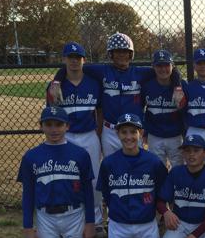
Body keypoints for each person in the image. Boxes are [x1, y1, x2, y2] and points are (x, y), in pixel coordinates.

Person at [48, 32, 183, 158]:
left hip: (133, 130)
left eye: (125, 51)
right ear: (111, 54)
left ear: (131, 54)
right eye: (117, 51)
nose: (121, 55)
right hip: (110, 131)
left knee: (136, 166)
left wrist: (177, 87)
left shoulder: (140, 73)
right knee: (111, 166)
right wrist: (57, 81)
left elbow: (170, 69)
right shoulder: (102, 71)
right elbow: (74, 66)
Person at [17, 106, 95, 238]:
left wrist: (90, 222)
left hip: (74, 214)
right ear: (41, 126)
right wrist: (28, 228)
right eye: (49, 124)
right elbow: (28, 195)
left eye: (59, 125)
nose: (54, 129)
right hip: (46, 217)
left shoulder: (80, 154)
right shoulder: (31, 156)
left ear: (67, 126)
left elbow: (88, 192)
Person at [46, 41, 106, 238]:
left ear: (84, 60)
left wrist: (98, 133)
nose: (74, 61)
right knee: (68, 179)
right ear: (64, 59)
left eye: (77, 58)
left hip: (89, 135)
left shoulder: (93, 83)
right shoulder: (56, 86)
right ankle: (74, 220)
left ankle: (97, 221)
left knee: (93, 178)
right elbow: (51, 115)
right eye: (70, 57)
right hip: (66, 136)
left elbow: (99, 111)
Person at [96, 113, 168, 238]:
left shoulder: (153, 162)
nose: (128, 137)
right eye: (124, 132)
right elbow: (107, 193)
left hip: (146, 223)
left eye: (133, 132)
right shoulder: (108, 163)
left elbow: (161, 191)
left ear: (140, 133)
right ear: (117, 134)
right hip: (119, 224)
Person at [142, 49, 188, 168]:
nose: (163, 69)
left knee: (178, 167)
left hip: (175, 135)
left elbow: (185, 112)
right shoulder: (147, 86)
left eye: (166, 65)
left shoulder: (181, 85)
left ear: (172, 66)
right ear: (153, 67)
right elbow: (142, 109)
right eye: (159, 65)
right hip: (155, 135)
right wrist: (145, 131)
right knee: (157, 168)